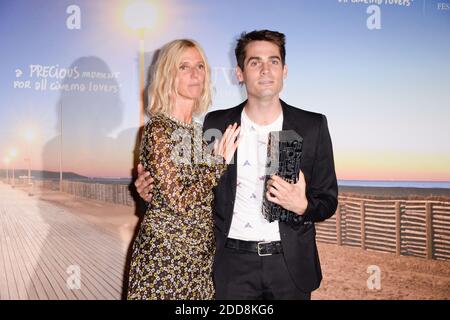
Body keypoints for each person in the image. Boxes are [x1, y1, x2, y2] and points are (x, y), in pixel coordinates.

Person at [135, 30, 338, 300]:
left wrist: (303, 206)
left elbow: (327, 200)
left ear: (285, 70)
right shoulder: (214, 126)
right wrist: (146, 192)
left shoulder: (313, 126)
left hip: (289, 267)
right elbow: (179, 192)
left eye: (273, 61)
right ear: (240, 73)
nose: (265, 70)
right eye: (255, 62)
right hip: (229, 266)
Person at [127, 39, 240, 300]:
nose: (195, 73)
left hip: (200, 264)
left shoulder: (201, 134)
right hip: (165, 261)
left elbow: (207, 197)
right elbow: (178, 200)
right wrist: (218, 163)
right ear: (168, 74)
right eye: (184, 67)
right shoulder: (158, 129)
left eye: (200, 66)